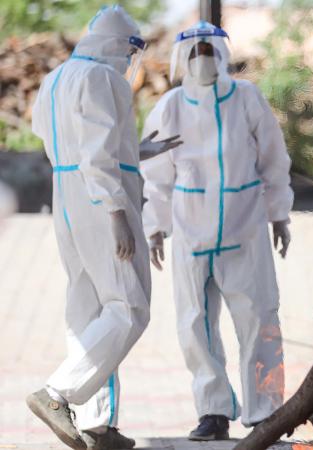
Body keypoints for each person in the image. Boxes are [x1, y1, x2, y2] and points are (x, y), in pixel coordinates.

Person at [27, 5, 180, 449]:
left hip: (67, 193)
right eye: (131, 50)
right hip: (100, 197)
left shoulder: (56, 77)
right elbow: (96, 154)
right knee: (129, 306)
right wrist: (116, 213)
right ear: (119, 45)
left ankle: (95, 424)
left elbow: (59, 138)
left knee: (88, 308)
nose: (130, 61)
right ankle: (58, 393)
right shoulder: (102, 77)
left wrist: (137, 150)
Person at [140, 21, 292, 440]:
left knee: (259, 317)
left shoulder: (246, 98)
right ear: (182, 59)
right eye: (194, 52)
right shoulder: (171, 106)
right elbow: (155, 174)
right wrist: (155, 227)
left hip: (245, 227)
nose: (203, 59)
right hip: (192, 230)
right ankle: (213, 411)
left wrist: (280, 214)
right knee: (194, 322)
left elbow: (273, 160)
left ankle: (265, 411)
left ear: (223, 56)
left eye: (209, 51)